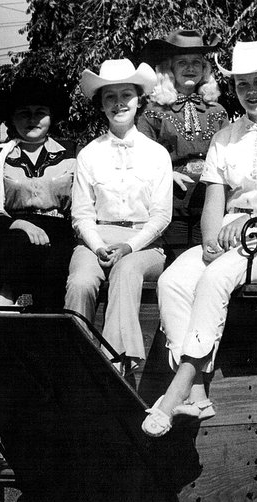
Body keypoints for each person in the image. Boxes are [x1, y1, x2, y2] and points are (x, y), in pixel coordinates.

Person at [143, 41, 257, 437]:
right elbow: (214, 200)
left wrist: (248, 221)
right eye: (243, 84)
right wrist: (209, 241)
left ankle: (181, 389)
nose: (252, 91)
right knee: (173, 280)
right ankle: (198, 393)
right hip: (228, 239)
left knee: (214, 278)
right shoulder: (225, 136)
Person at [65, 60, 173, 373]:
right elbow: (81, 215)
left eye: (127, 94)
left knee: (126, 271)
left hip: (145, 244)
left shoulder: (156, 154)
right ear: (101, 104)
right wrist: (98, 246)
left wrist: (129, 246)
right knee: (82, 281)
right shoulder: (89, 154)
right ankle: (77, 359)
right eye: (110, 97)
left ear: (140, 100)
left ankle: (116, 362)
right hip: (96, 240)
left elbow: (162, 215)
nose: (119, 103)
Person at [0, 77, 75, 308]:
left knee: (53, 275)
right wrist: (22, 225)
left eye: (40, 112)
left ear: (51, 117)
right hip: (11, 233)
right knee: (14, 242)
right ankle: (2, 304)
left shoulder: (72, 154)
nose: (32, 119)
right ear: (12, 118)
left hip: (59, 234)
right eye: (24, 113)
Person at [136, 28, 228, 244]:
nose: (190, 68)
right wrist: (167, 173)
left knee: (207, 258)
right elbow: (140, 154)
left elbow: (230, 153)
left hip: (211, 200)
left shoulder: (217, 110)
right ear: (169, 69)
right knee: (175, 262)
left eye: (196, 62)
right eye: (182, 62)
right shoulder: (153, 111)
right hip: (171, 200)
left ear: (204, 69)